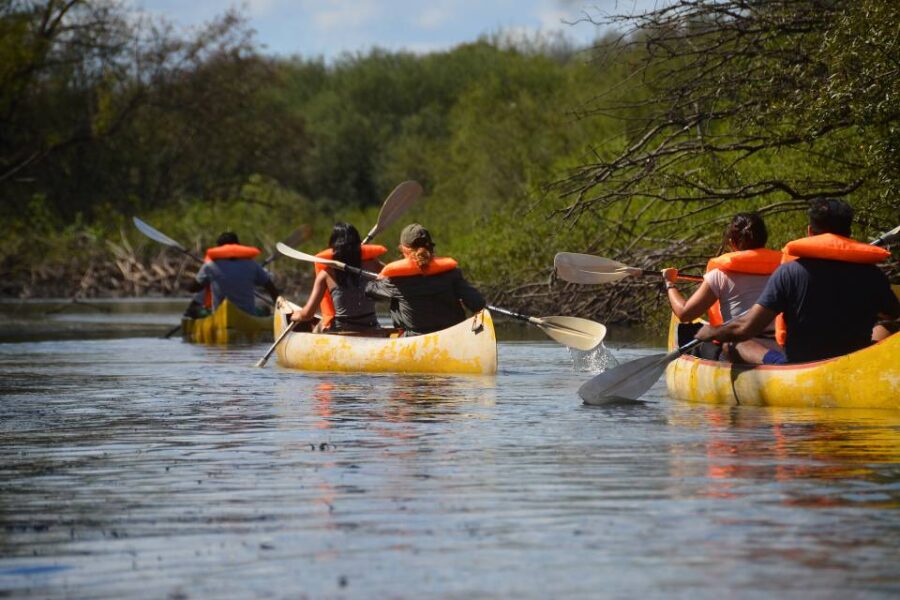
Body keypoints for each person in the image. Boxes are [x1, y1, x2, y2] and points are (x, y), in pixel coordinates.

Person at [696, 198, 899, 363]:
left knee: (737, 343)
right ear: (849, 233)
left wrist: (713, 331)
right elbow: (893, 316)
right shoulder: (872, 274)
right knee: (889, 328)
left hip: (801, 365)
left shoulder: (788, 273)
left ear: (810, 232)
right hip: (855, 360)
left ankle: (777, 362)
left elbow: (747, 328)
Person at [662, 212, 783, 363]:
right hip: (780, 348)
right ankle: (779, 362)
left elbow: (685, 313)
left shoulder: (720, 275)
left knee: (695, 338)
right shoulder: (785, 272)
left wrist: (669, 283)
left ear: (732, 242)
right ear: (764, 240)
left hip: (740, 352)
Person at [365, 223, 485, 335]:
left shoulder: (395, 280)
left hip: (416, 340)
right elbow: (478, 303)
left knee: (395, 301)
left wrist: (380, 277)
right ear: (431, 248)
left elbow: (370, 291)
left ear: (403, 249)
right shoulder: (452, 273)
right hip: (453, 335)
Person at [290, 223, 383, 331]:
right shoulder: (373, 264)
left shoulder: (326, 274)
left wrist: (296, 315)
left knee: (320, 326)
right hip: (371, 327)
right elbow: (393, 276)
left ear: (333, 246)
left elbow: (307, 315)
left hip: (343, 330)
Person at [186, 232, 279, 316]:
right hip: (247, 315)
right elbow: (271, 288)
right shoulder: (252, 265)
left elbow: (192, 289)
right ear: (238, 246)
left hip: (219, 315)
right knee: (265, 309)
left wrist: (205, 279)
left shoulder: (210, 266)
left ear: (218, 248)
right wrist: (279, 307)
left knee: (192, 310)